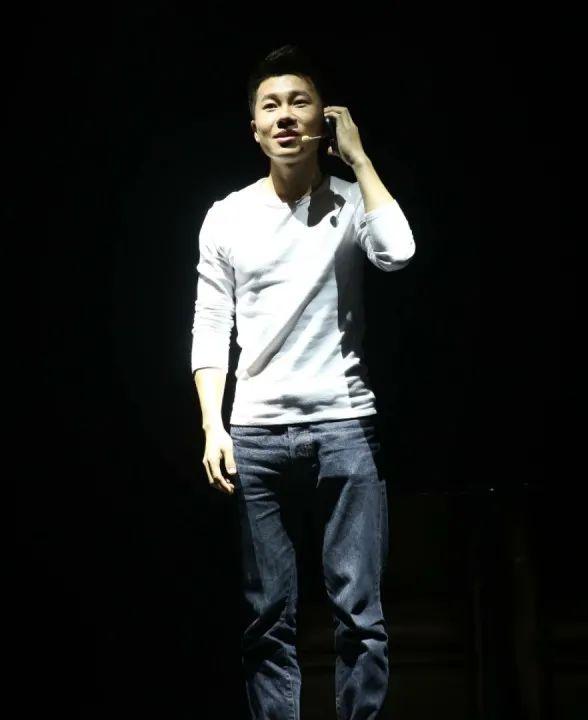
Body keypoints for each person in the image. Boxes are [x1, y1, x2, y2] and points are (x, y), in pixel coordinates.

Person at [191, 44, 415, 720]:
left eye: (299, 102)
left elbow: (398, 252)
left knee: (360, 617)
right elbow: (211, 324)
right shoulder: (227, 215)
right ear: (254, 128)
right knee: (267, 620)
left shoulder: (352, 201)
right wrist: (213, 424)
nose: (285, 115)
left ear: (325, 118)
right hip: (256, 435)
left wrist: (361, 161)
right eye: (271, 106)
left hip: (345, 427)